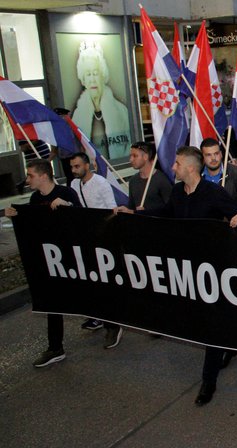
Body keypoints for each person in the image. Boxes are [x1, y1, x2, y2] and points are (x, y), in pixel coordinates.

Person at [117, 146, 237, 407]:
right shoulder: (177, 192)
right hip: (185, 269)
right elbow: (164, 214)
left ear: (189, 168)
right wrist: (135, 214)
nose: (172, 167)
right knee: (201, 317)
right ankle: (229, 344)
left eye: (176, 164)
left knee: (211, 322)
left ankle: (208, 381)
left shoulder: (213, 192)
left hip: (212, 269)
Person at [4, 159, 82, 367]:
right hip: (50, 258)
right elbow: (32, 224)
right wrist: (16, 215)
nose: (27, 179)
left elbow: (83, 220)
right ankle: (55, 347)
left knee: (87, 294)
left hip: (72, 258)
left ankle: (110, 324)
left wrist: (68, 207)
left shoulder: (66, 193)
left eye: (30, 175)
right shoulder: (35, 197)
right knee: (52, 300)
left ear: (44, 176)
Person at [69, 152, 123, 347]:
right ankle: (97, 316)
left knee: (105, 282)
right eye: (72, 167)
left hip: (102, 239)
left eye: (77, 166)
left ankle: (114, 324)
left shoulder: (100, 183)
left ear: (87, 165)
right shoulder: (74, 185)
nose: (74, 170)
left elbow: (112, 209)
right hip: (86, 240)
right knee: (91, 280)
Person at [72, 41, 130, 159]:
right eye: (88, 74)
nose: (93, 79)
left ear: (103, 76)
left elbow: (130, 144)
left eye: (96, 73)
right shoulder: (77, 117)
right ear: (83, 80)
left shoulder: (121, 110)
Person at [200, 138, 237, 217]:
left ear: (221, 154)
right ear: (202, 157)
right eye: (208, 155)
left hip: (231, 224)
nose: (213, 158)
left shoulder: (236, 173)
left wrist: (233, 213)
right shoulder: (198, 176)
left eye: (216, 153)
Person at [126, 142, 172, 211]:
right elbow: (131, 208)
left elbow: (171, 209)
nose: (131, 160)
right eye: (130, 156)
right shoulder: (133, 181)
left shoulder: (161, 180)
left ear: (145, 157)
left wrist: (147, 212)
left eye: (135, 156)